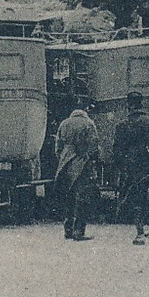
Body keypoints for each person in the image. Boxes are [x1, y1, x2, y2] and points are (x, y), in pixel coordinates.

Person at [113, 90, 149, 244]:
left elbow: (117, 151)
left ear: (128, 105)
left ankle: (140, 234)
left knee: (137, 201)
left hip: (132, 168)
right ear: (141, 103)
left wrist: (123, 167)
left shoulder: (122, 125)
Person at [54, 101, 99, 241]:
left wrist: (63, 158)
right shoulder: (88, 124)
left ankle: (68, 230)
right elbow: (94, 146)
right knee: (82, 198)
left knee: (69, 198)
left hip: (65, 165)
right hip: (82, 165)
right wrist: (92, 159)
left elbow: (58, 148)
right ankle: (79, 231)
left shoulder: (64, 124)